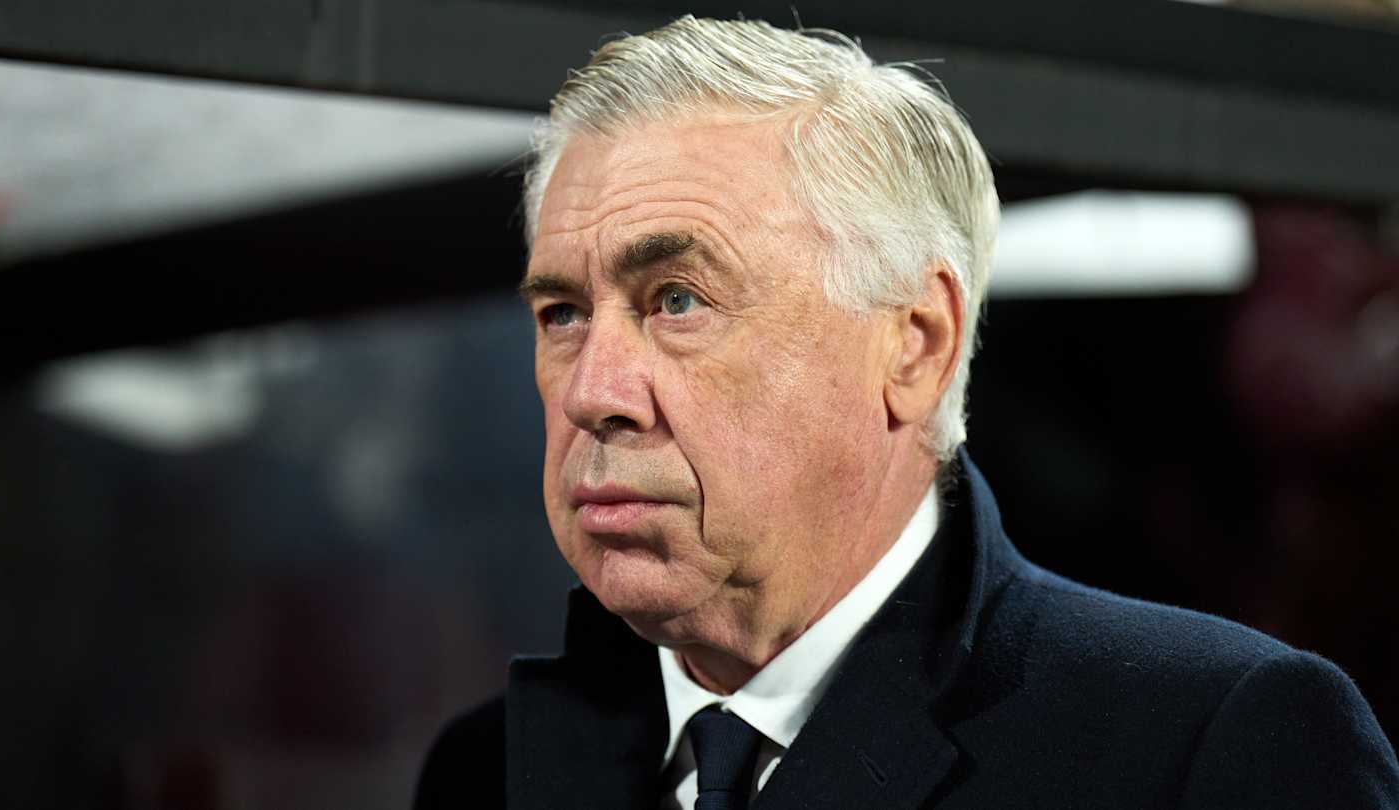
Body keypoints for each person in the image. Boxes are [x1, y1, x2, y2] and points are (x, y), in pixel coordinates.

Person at [415, 16, 1399, 809]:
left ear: (915, 345)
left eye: (678, 300)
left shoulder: (1209, 746)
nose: (592, 392)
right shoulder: (487, 772)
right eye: (563, 313)